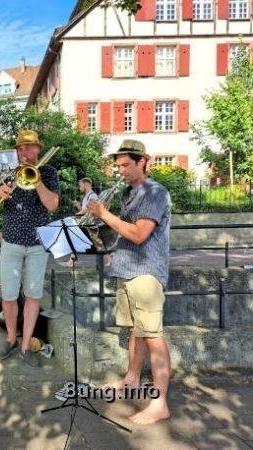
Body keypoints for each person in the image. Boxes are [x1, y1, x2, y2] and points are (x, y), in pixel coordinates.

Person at [87, 139, 171, 425]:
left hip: (146, 272)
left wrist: (104, 214)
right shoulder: (128, 194)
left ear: (143, 163)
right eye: (118, 165)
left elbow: (138, 234)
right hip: (127, 269)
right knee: (136, 330)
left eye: (126, 165)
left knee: (153, 335)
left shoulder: (155, 192)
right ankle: (132, 380)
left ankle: (160, 404)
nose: (119, 170)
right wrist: (95, 223)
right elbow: (119, 232)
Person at [0, 130, 60, 368]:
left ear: (38, 149)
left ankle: (26, 345)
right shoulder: (8, 172)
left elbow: (52, 204)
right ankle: (10, 338)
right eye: (20, 148)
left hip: (38, 244)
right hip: (11, 242)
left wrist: (37, 181)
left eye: (28, 147)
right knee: (8, 296)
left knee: (33, 296)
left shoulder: (48, 173)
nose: (24, 152)